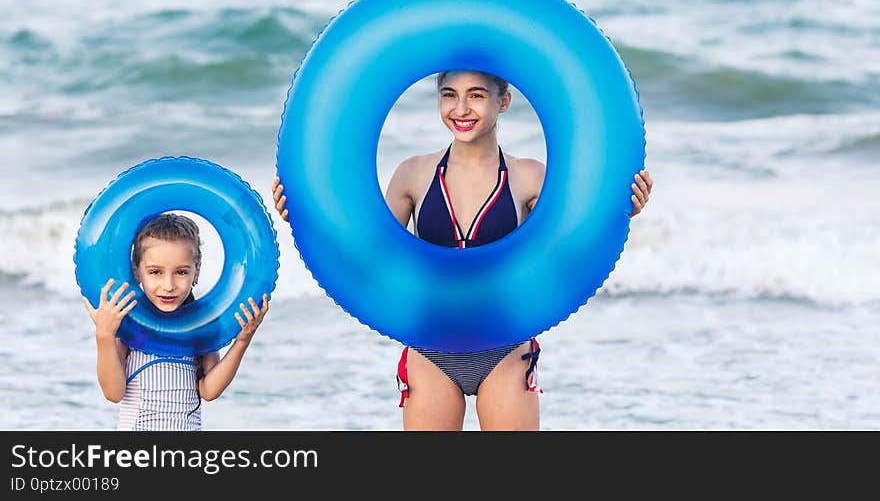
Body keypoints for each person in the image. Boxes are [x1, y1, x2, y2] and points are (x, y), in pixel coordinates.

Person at [272, 70, 652, 430]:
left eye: (477, 95)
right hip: (431, 347)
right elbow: (369, 254)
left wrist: (622, 211)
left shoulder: (530, 176)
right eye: (449, 95)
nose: (461, 109)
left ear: (503, 101)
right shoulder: (414, 173)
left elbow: (574, 246)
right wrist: (305, 218)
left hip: (505, 345)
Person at [82, 213, 269, 430]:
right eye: (155, 272)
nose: (168, 285)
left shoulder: (199, 324)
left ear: (196, 271)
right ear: (137, 272)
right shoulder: (132, 325)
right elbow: (113, 393)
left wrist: (242, 342)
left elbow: (209, 391)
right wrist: (104, 336)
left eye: (181, 272)